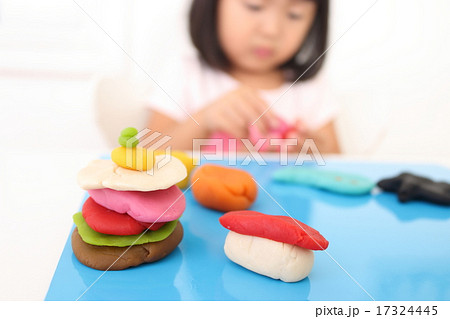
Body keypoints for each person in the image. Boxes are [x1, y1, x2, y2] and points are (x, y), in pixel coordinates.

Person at [147, 0, 340, 153]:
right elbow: (147, 160)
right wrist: (204, 120)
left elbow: (343, 169)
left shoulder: (309, 87)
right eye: (254, 6)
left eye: (294, 14)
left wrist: (313, 153)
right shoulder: (187, 74)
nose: (271, 30)